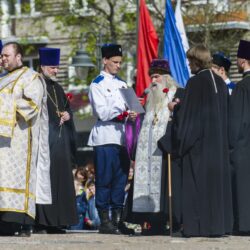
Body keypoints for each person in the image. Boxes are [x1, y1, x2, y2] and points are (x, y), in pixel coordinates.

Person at [172, 45, 233, 237]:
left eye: (190, 61)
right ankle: (216, 227)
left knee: (197, 188)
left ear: (197, 61)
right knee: (215, 190)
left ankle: (197, 228)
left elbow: (189, 118)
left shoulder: (195, 83)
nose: (188, 64)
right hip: (218, 148)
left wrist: (176, 109)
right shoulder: (221, 83)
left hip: (199, 148)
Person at [0, 42, 51, 236]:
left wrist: (4, 101)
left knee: (17, 178)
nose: (2, 59)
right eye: (1, 56)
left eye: (6, 55)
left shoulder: (31, 78)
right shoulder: (2, 79)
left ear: (18, 57)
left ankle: (22, 222)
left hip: (20, 141)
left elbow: (32, 106)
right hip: (1, 142)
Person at [88, 43, 136, 235]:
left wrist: (132, 113)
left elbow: (133, 107)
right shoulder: (97, 84)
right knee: (105, 179)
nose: (118, 65)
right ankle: (105, 220)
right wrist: (123, 111)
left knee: (120, 178)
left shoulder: (124, 84)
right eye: (115, 62)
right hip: (106, 135)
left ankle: (117, 219)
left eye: (120, 62)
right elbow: (102, 112)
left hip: (123, 137)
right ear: (105, 60)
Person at [128, 59, 180, 235]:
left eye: (156, 77)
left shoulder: (176, 94)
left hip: (165, 152)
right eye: (151, 77)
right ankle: (149, 222)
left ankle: (166, 221)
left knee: (164, 187)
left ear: (166, 77)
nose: (153, 81)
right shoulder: (149, 98)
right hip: (147, 154)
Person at [35, 47, 78, 233]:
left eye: (57, 67)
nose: (56, 71)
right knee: (45, 183)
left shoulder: (58, 87)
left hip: (60, 146)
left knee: (61, 183)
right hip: (44, 145)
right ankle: (42, 222)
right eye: (53, 67)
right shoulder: (36, 85)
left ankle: (58, 222)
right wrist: (54, 119)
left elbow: (68, 110)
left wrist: (67, 116)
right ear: (43, 66)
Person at [229, 39, 250, 234]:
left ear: (243, 61)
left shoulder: (242, 87)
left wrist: (230, 144)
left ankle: (244, 225)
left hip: (244, 146)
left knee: (243, 187)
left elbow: (236, 121)